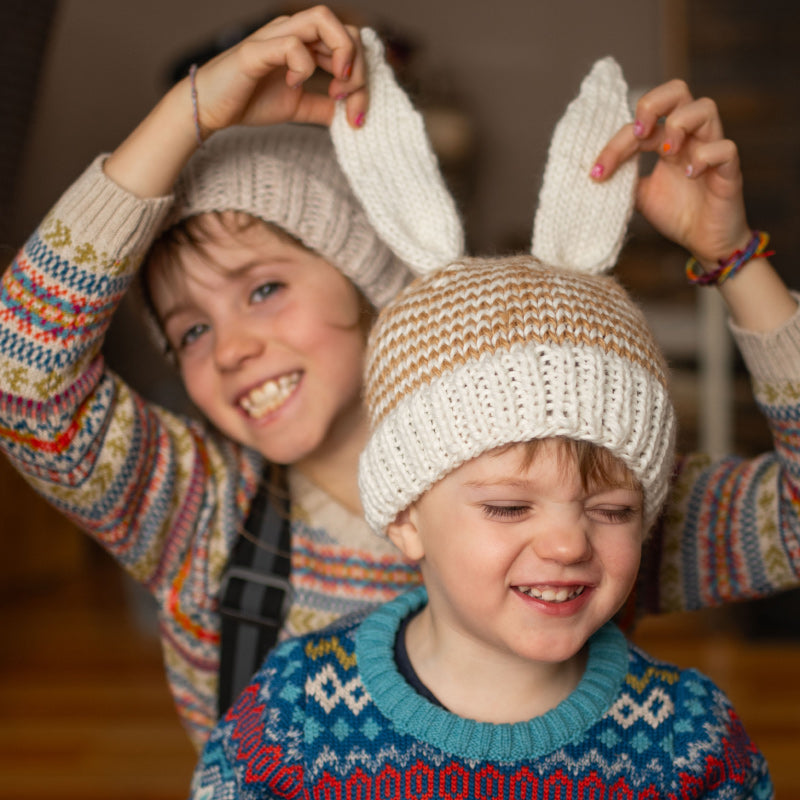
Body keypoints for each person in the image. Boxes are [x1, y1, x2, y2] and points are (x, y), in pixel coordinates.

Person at [0, 5, 798, 752]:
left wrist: (733, 259)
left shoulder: (578, 499)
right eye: (191, 331)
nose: (233, 346)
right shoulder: (197, 513)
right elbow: (25, 382)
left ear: (367, 282)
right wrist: (192, 110)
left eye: (264, 288)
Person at [188, 58, 773, 797]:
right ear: (404, 518)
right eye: (508, 505)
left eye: (614, 510)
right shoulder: (296, 714)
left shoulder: (690, 738)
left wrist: (735, 259)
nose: (567, 543)